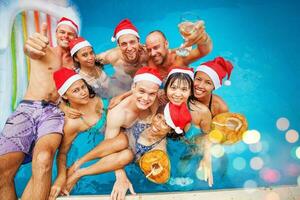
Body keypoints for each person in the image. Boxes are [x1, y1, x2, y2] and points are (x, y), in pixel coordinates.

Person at [0, 16, 78, 200]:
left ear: (76, 37)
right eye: (62, 32)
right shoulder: (44, 50)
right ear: (56, 33)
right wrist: (31, 45)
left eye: (70, 33)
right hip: (27, 109)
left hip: (53, 113)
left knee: (43, 159)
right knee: (3, 171)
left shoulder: (76, 64)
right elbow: (31, 49)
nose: (66, 36)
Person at [64, 66, 162, 200]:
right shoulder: (118, 113)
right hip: (120, 135)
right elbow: (108, 144)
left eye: (152, 94)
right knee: (125, 152)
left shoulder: (155, 98)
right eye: (142, 91)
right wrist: (121, 176)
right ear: (133, 87)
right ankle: (78, 168)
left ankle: (78, 170)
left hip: (137, 135)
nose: (146, 98)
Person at [48, 68, 130, 199]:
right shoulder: (72, 122)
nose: (83, 92)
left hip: (117, 130)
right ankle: (78, 171)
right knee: (124, 148)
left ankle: (77, 167)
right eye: (76, 91)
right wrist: (60, 177)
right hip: (110, 139)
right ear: (64, 95)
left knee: (124, 143)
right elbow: (62, 153)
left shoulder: (92, 94)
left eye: (83, 87)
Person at [163, 67, 213, 186]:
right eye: (173, 87)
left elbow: (208, 136)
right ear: (166, 88)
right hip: (170, 146)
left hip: (191, 149)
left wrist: (207, 159)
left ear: (191, 91)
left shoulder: (202, 112)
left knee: (183, 172)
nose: (177, 94)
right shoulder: (161, 108)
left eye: (184, 89)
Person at [96, 19, 148, 96]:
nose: (129, 48)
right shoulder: (113, 56)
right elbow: (91, 61)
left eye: (132, 42)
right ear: (118, 45)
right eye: (124, 44)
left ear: (138, 41)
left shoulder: (147, 53)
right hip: (120, 88)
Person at [146, 22, 212, 78]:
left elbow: (204, 51)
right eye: (149, 49)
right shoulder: (148, 58)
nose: (152, 53)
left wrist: (203, 38)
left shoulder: (180, 59)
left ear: (166, 44)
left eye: (156, 47)